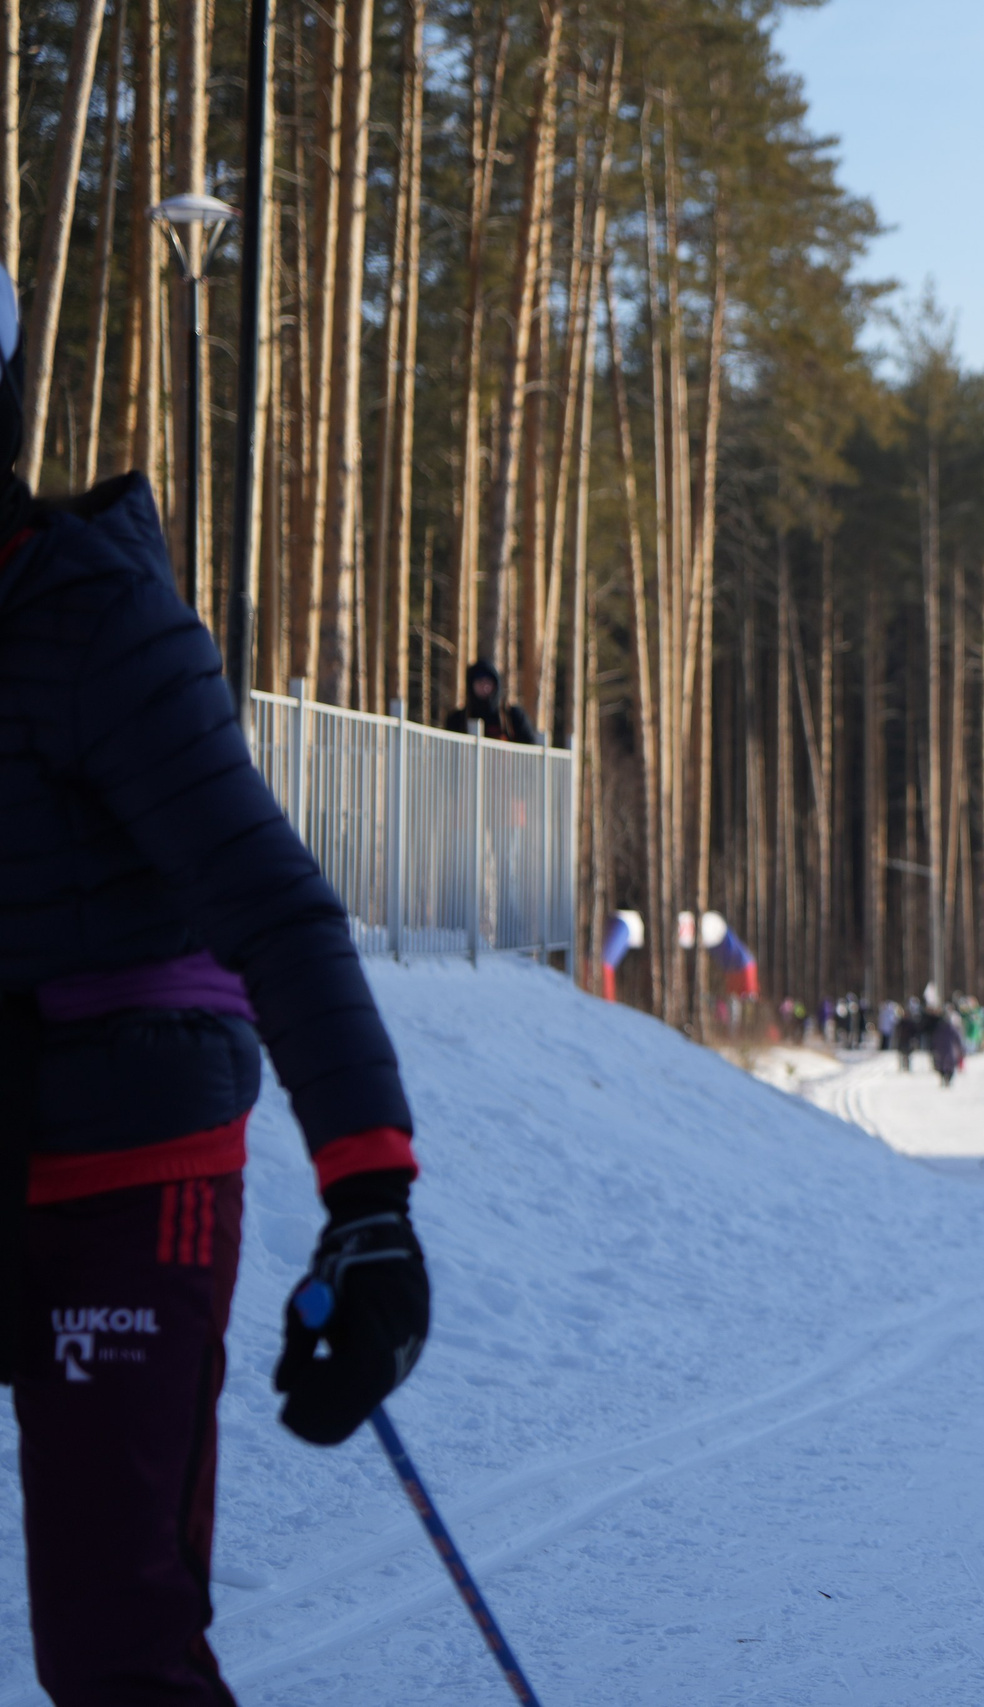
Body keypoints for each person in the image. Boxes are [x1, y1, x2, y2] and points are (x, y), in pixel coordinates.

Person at [0, 260, 429, 1705]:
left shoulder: (92, 625)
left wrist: (369, 1202)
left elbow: (275, 907)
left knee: (113, 1642)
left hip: (125, 1158)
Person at [440, 658, 536, 743]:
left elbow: (530, 749)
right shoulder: (458, 720)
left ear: (496, 685)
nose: (484, 687)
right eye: (480, 682)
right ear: (471, 685)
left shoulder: (513, 717)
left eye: (488, 682)